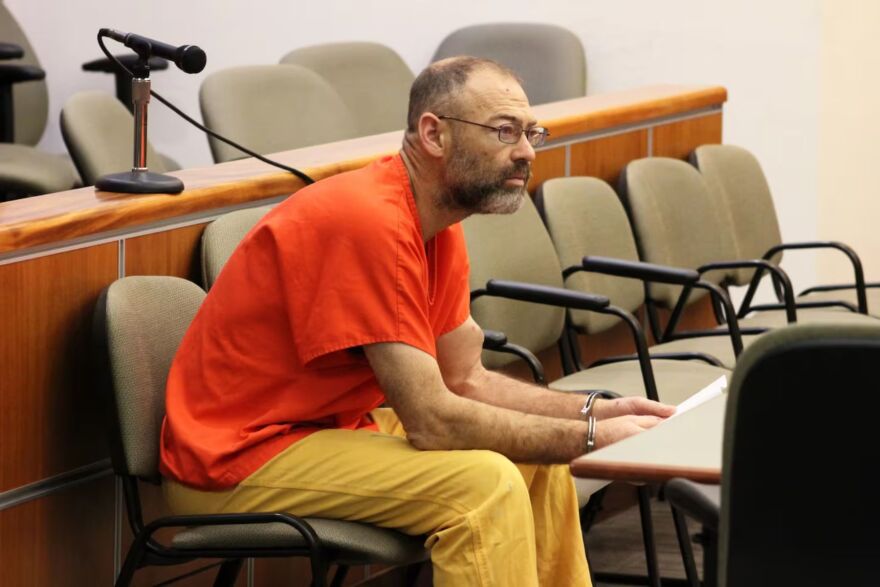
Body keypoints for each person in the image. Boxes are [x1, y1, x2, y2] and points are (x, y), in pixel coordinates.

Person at [159, 56, 675, 586]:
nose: (525, 152)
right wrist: (590, 439)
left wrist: (593, 413)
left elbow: (464, 380)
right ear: (434, 134)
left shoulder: (438, 222)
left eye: (530, 133)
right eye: (504, 131)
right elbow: (433, 421)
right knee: (486, 483)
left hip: (322, 430)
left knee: (537, 462)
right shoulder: (369, 220)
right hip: (233, 457)